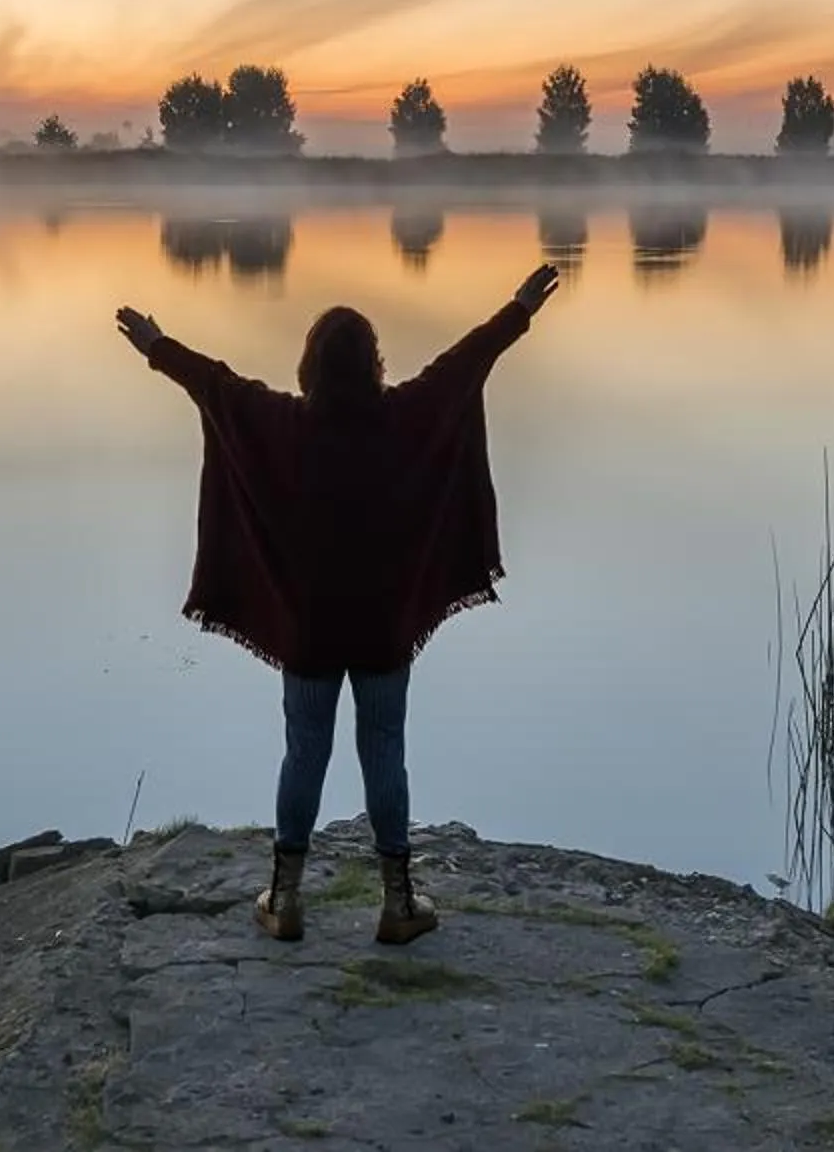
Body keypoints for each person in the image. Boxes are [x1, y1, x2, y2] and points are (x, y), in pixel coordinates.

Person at [114, 262, 562, 945]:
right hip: (382, 628)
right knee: (385, 748)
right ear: (374, 365)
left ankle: (286, 900)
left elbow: (215, 385)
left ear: (307, 367)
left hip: (309, 631)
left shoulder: (281, 424)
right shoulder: (404, 417)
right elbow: (465, 363)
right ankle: (398, 903)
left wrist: (154, 344)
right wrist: (519, 306)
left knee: (304, 753)